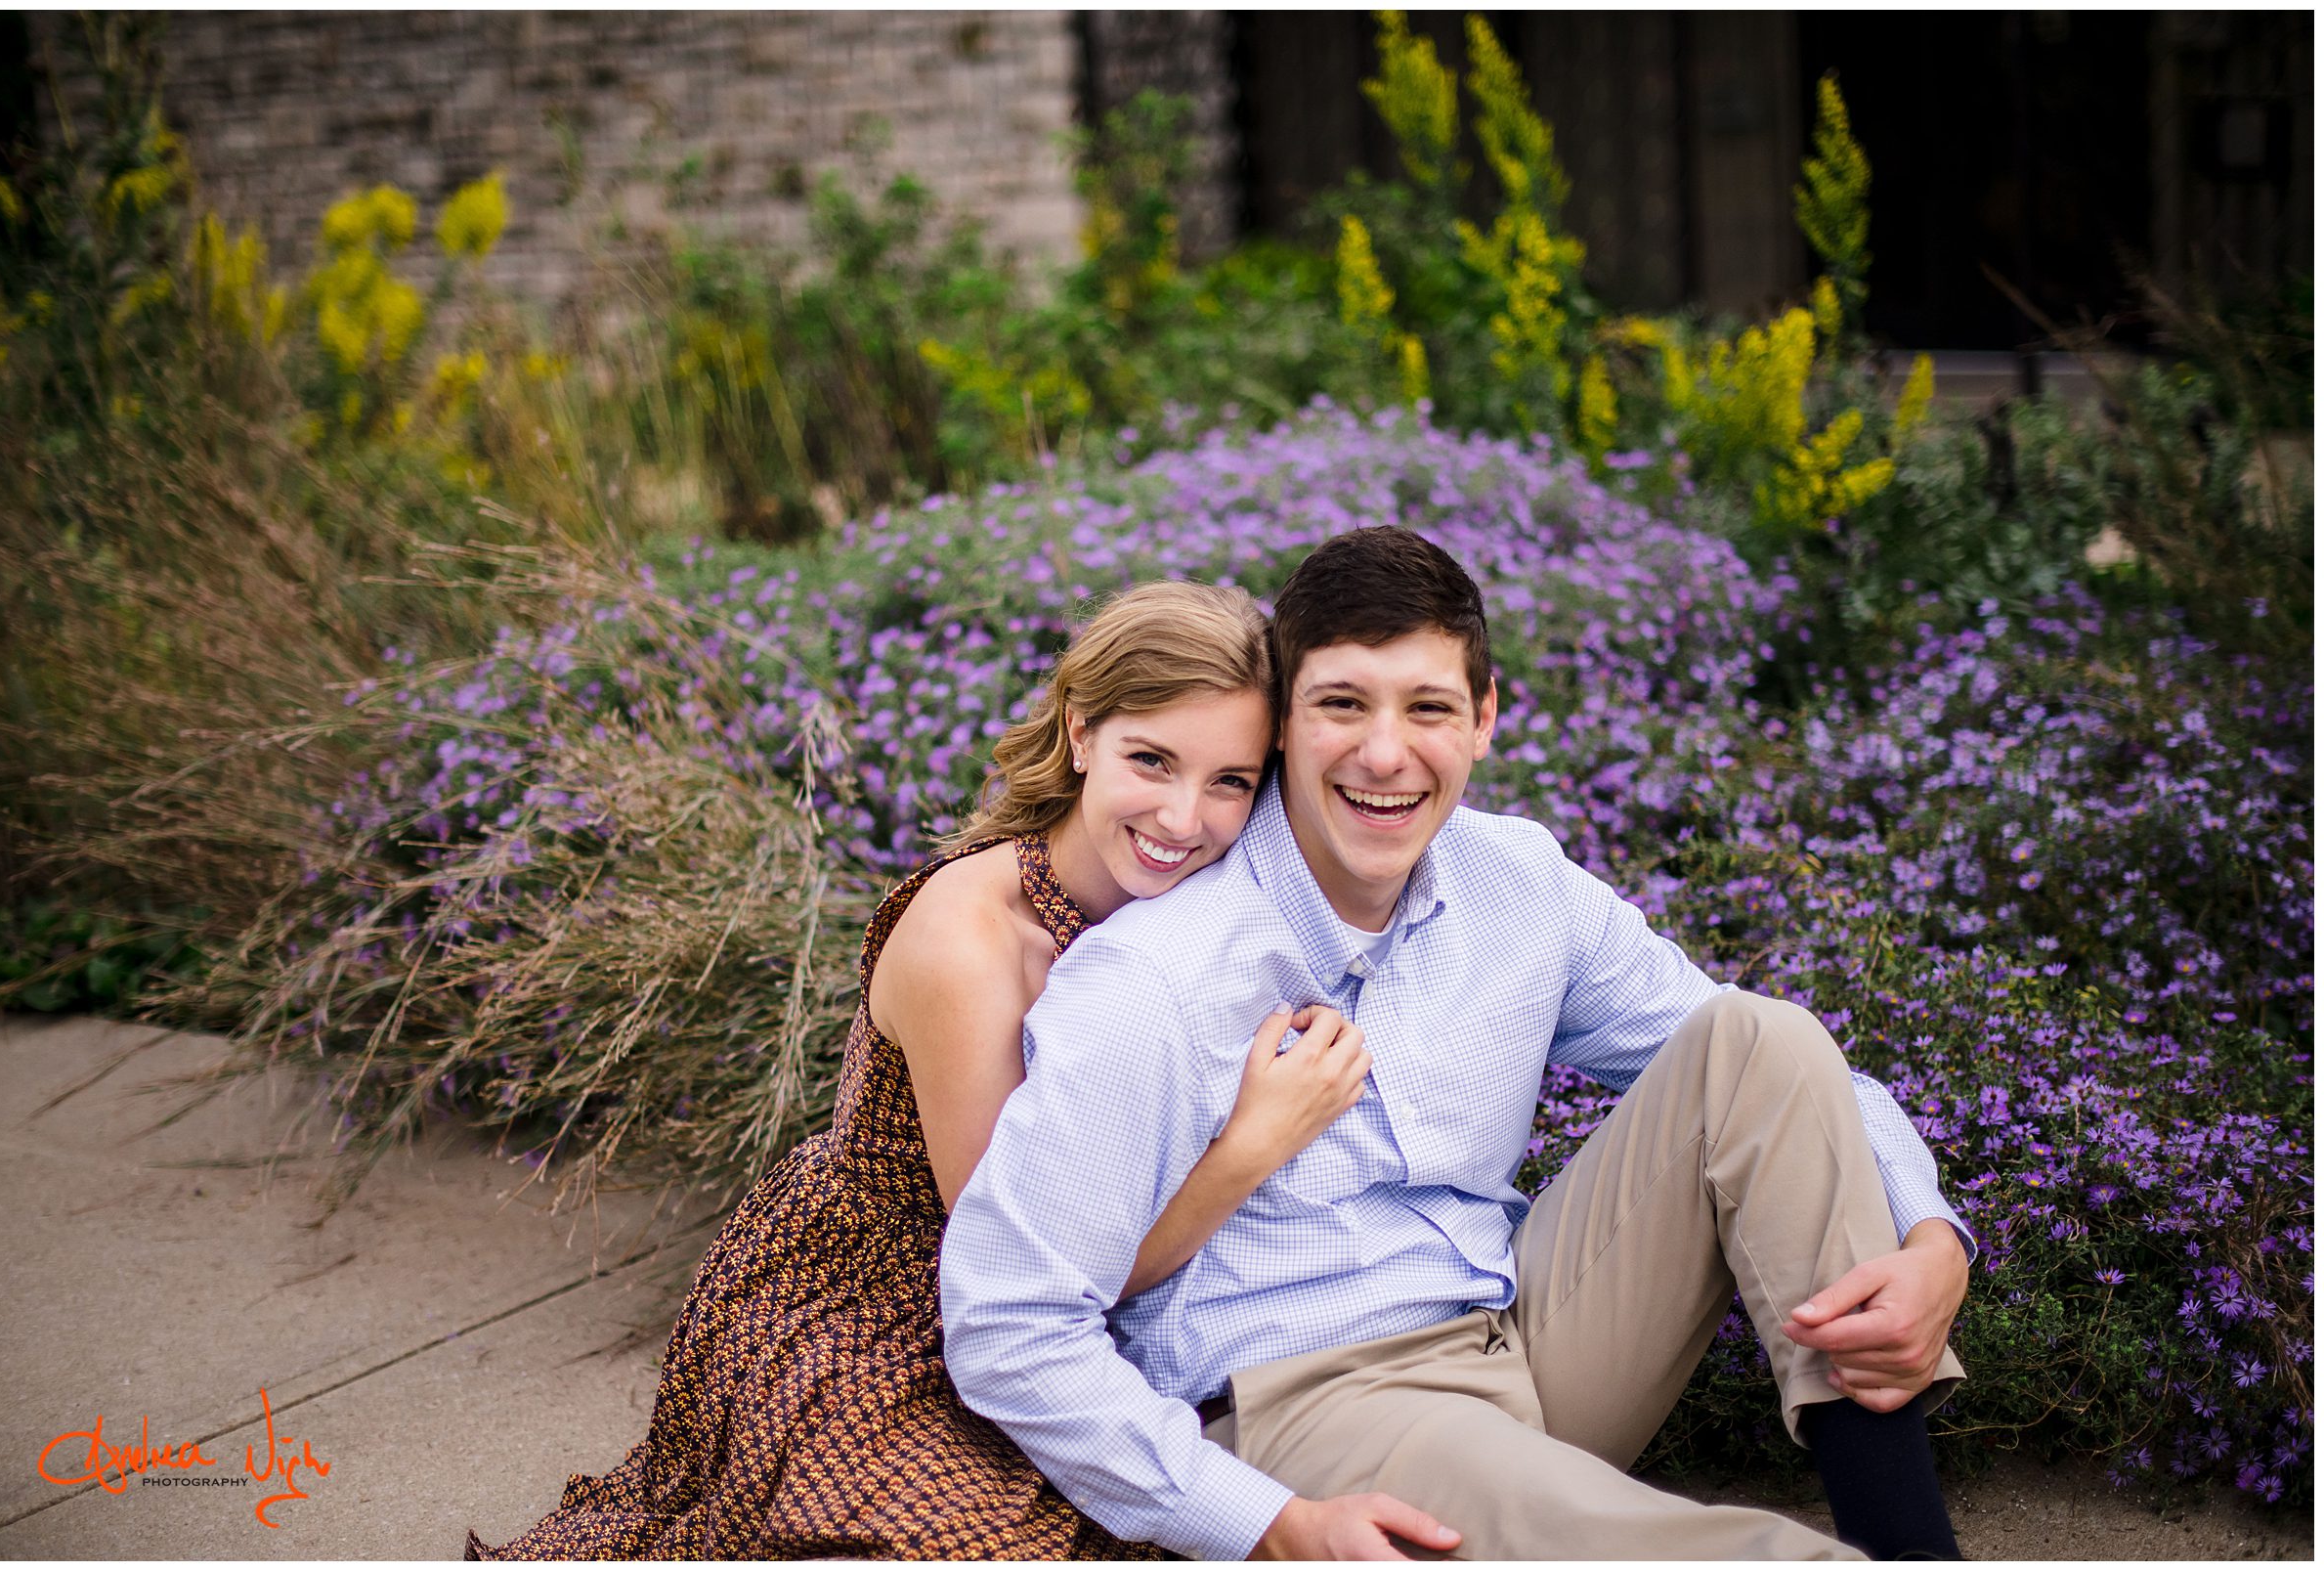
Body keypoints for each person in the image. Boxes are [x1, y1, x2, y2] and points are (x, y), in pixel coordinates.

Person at [942, 526, 1973, 1562]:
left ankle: (1909, 1535)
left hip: (1524, 1339)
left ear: (1482, 719)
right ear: (1285, 727)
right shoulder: (1155, 977)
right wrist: (1266, 1523)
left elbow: (1771, 1077)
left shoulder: (1517, 879)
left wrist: (1932, 1234)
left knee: (1758, 1038)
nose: (1386, 753)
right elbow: (1010, 1325)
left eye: (1428, 707)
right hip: (1319, 1406)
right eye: (1342, 703)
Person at [465, 580, 1373, 1559]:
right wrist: (1252, 1144)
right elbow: (1035, 1276)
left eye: (1231, 780)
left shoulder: (1211, 899)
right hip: (889, 1305)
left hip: (1097, 1288)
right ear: (1080, 733)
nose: (1184, 816)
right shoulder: (971, 943)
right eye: (1149, 759)